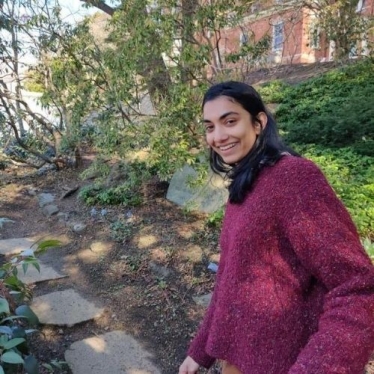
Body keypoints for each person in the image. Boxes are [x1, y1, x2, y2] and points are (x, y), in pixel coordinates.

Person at [178, 81, 374, 374]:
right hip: (239, 357)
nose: (218, 136)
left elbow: (357, 287)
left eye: (230, 121)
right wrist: (201, 349)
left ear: (259, 123)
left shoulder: (294, 179)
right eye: (209, 127)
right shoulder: (246, 182)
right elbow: (230, 277)